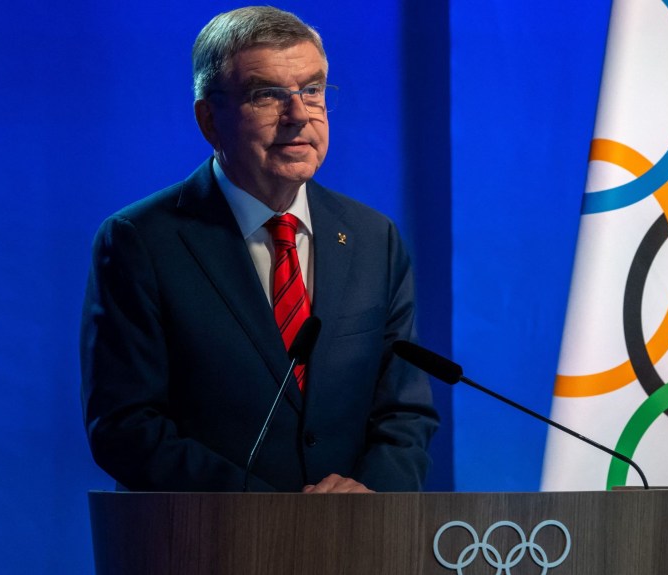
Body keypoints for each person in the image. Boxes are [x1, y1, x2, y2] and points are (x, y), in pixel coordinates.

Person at [80, 6, 437, 493]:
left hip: (357, 541)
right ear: (210, 120)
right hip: (205, 547)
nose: (298, 116)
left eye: (312, 90)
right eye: (267, 95)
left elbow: (405, 410)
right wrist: (269, 516)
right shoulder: (140, 241)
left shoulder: (375, 239)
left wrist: (370, 496)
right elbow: (126, 426)